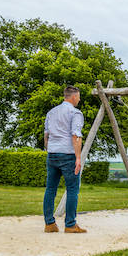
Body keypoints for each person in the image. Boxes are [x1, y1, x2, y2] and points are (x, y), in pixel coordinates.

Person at [42, 85, 86, 233]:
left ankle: (49, 224)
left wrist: (49, 150)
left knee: (50, 189)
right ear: (73, 97)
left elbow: (46, 135)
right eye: (78, 97)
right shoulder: (75, 113)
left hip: (52, 154)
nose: (79, 99)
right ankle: (70, 224)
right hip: (68, 155)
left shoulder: (51, 112)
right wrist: (78, 158)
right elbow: (76, 136)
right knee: (73, 189)